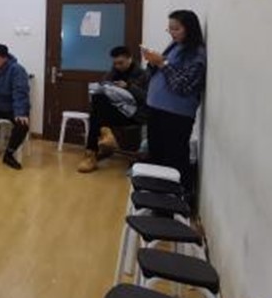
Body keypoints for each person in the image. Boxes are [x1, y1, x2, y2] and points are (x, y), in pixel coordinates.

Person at [142, 10, 206, 196]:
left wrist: (162, 63)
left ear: (190, 29)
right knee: (156, 154)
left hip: (176, 115)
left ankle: (176, 198)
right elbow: (162, 70)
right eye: (169, 29)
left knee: (174, 158)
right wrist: (153, 62)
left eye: (176, 29)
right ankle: (157, 197)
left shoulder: (196, 54)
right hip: (156, 109)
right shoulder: (176, 45)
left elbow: (183, 86)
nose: (172, 33)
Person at [77, 46, 148, 173]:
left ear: (130, 59)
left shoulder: (142, 74)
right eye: (115, 63)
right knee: (98, 100)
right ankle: (96, 147)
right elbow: (104, 85)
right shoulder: (113, 72)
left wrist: (128, 86)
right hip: (116, 111)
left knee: (96, 116)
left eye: (121, 63)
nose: (117, 66)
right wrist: (105, 87)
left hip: (134, 115)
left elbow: (145, 98)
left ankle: (92, 154)